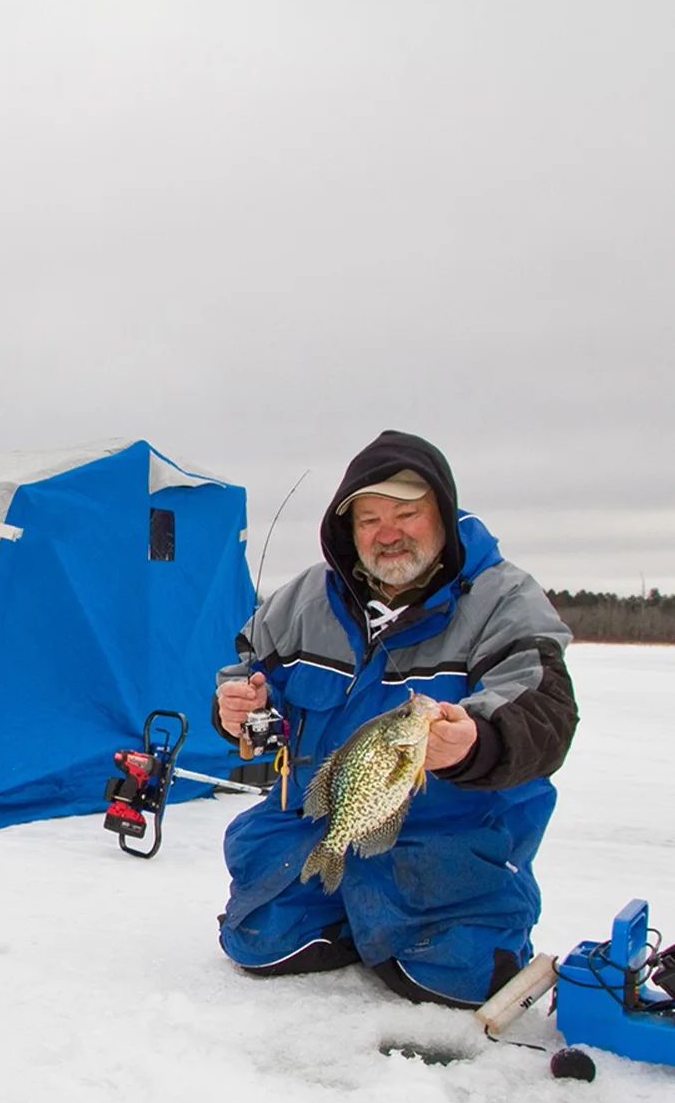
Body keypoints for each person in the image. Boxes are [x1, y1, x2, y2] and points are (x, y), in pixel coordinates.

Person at [214, 429, 578, 1007]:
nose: (388, 534)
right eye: (368, 520)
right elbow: (248, 676)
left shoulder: (503, 597)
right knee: (261, 943)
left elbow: (545, 710)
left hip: (451, 837)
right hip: (320, 819)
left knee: (458, 978)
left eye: (407, 513)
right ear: (347, 530)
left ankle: (427, 924)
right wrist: (239, 709)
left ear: (444, 513)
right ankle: (349, 911)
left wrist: (473, 743)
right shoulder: (307, 597)